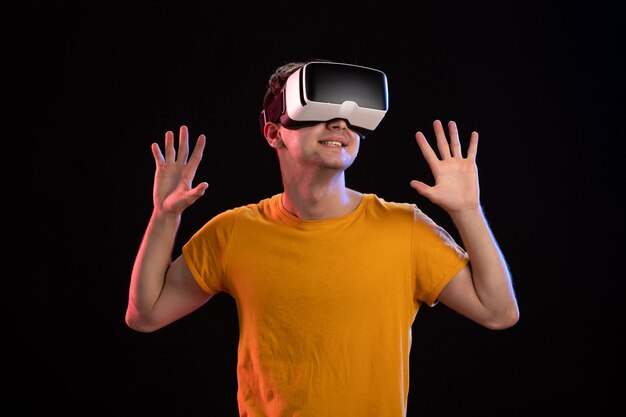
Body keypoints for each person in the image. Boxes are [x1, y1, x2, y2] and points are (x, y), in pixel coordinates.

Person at [125, 59, 519, 417]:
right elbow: (145, 315)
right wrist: (164, 216)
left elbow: (499, 312)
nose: (339, 125)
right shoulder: (234, 233)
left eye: (350, 117)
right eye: (319, 112)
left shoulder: (405, 229)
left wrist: (467, 211)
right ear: (274, 133)